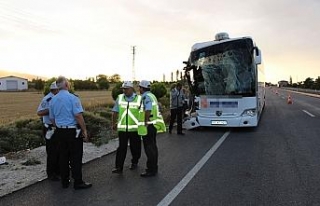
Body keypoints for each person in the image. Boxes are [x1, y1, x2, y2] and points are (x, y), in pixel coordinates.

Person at [49, 76, 92, 190]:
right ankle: (78, 182)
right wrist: (84, 130)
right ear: (67, 85)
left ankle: (65, 181)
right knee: (76, 157)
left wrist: (58, 126)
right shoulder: (73, 98)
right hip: (73, 130)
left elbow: (52, 118)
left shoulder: (52, 100)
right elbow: (78, 115)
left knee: (63, 156)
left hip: (60, 131)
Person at [111, 81, 142, 174]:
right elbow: (115, 112)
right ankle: (118, 167)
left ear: (132, 89)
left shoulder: (139, 99)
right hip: (123, 129)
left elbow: (143, 112)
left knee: (135, 147)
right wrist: (113, 123)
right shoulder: (119, 98)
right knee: (121, 148)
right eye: (123, 89)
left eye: (126, 89)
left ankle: (134, 162)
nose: (124, 91)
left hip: (135, 129)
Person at [138, 80, 166, 177]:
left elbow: (148, 109)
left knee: (149, 148)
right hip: (153, 125)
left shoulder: (146, 97)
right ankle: (154, 168)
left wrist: (145, 122)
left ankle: (150, 169)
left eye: (139, 87)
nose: (139, 89)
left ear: (142, 88)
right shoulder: (152, 96)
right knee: (153, 147)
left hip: (149, 126)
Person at [37, 81, 60, 181]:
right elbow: (39, 112)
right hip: (49, 127)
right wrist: (51, 109)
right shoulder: (48, 99)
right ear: (55, 90)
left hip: (56, 126)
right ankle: (51, 174)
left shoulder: (57, 98)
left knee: (58, 150)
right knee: (51, 151)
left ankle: (58, 170)